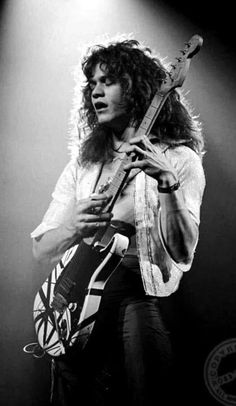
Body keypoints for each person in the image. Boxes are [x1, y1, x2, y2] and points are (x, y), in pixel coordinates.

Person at [31, 36, 206, 406]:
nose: (95, 91)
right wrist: (73, 228)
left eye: (107, 81)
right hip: (73, 305)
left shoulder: (179, 160)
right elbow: (40, 247)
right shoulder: (85, 162)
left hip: (133, 297)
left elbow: (183, 251)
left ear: (139, 87)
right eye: (91, 83)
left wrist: (167, 185)